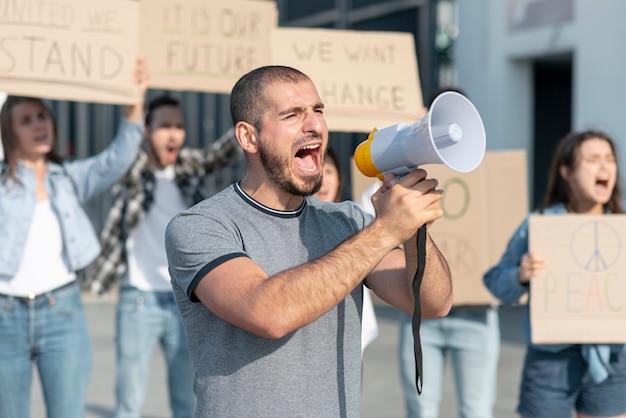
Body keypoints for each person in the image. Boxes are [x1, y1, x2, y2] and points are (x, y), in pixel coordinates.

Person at [164, 65, 453, 417]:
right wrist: (385, 231)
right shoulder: (200, 226)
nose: (314, 125)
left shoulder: (347, 222)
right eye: (292, 115)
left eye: (318, 111)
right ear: (248, 137)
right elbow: (268, 313)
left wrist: (412, 230)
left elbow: (433, 303)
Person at [0, 60, 148, 418]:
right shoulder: (3, 181)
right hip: (5, 316)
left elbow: (118, 159)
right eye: (26, 120)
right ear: (9, 131)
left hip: (62, 312)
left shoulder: (67, 177)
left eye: (42, 116)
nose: (39, 124)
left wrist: (135, 99)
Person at [86, 95, 242, 418]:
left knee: (187, 401)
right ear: (146, 131)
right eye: (164, 126)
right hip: (138, 299)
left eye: (179, 126)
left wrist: (252, 115)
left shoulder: (187, 166)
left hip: (184, 300)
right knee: (128, 404)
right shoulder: (132, 169)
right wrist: (133, 100)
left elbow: (223, 152)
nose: (173, 134)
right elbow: (119, 151)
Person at [484, 130, 626, 418]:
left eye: (609, 159)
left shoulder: (621, 232)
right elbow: (495, 282)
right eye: (593, 159)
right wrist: (520, 275)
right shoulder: (539, 226)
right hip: (550, 363)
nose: (604, 167)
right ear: (567, 172)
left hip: (613, 359)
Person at [382, 87, 500, 418]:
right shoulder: (403, 170)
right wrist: (404, 146)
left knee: (476, 411)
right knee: (421, 410)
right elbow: (375, 225)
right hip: (421, 316)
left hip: (475, 316)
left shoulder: (489, 173)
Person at [314, 146, 379, 354]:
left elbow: (383, 188)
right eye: (318, 173)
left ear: (340, 180)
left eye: (330, 172)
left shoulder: (355, 218)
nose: (323, 180)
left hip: (349, 343)